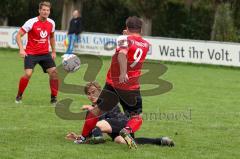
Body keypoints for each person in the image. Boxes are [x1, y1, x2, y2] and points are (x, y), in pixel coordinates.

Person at [86, 16, 150, 149]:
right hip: (131, 87)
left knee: (96, 111)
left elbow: (122, 54)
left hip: (113, 83)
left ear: (127, 27)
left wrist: (122, 72)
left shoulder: (123, 39)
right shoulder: (145, 44)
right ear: (141, 29)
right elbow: (131, 48)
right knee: (136, 117)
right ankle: (126, 131)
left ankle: (85, 136)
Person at [65, 82, 174, 147]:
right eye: (88, 94)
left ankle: (98, 140)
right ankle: (160, 141)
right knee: (122, 141)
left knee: (98, 125)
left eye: (94, 92)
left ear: (100, 91)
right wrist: (77, 137)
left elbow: (101, 115)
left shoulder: (106, 99)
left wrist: (91, 108)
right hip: (114, 129)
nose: (91, 95)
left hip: (122, 123)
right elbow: (88, 132)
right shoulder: (93, 111)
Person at [15, 1, 58, 104]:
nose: (45, 12)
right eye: (43, 10)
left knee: (54, 73)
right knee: (28, 74)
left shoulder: (51, 23)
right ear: (39, 11)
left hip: (44, 53)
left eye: (47, 10)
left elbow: (51, 37)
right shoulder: (31, 22)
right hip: (31, 53)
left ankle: (53, 98)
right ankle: (19, 95)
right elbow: (18, 35)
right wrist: (21, 49)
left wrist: (53, 51)